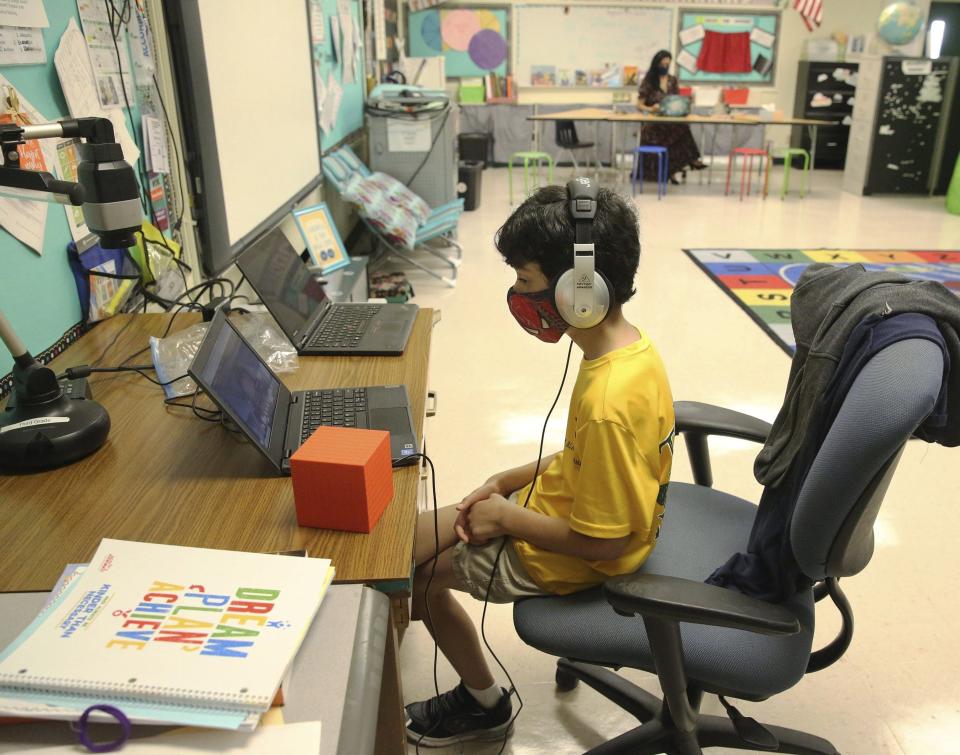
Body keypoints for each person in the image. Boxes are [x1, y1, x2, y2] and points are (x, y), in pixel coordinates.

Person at [404, 184, 676, 747]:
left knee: (413, 577)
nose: (518, 295)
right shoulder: (628, 353)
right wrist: (507, 482)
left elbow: (603, 542)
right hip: (552, 509)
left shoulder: (609, 402)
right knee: (400, 540)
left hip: (571, 553)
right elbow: (586, 458)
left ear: (580, 292)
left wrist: (505, 519)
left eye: (526, 283)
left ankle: (484, 705)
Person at [636, 49, 707, 183]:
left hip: (669, 119)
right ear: (656, 64)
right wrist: (651, 108)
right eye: (662, 64)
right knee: (676, 131)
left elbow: (676, 100)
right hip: (654, 122)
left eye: (667, 64)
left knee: (681, 128)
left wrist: (685, 103)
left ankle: (675, 169)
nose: (665, 67)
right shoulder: (649, 81)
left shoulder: (672, 80)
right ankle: (688, 162)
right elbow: (639, 105)